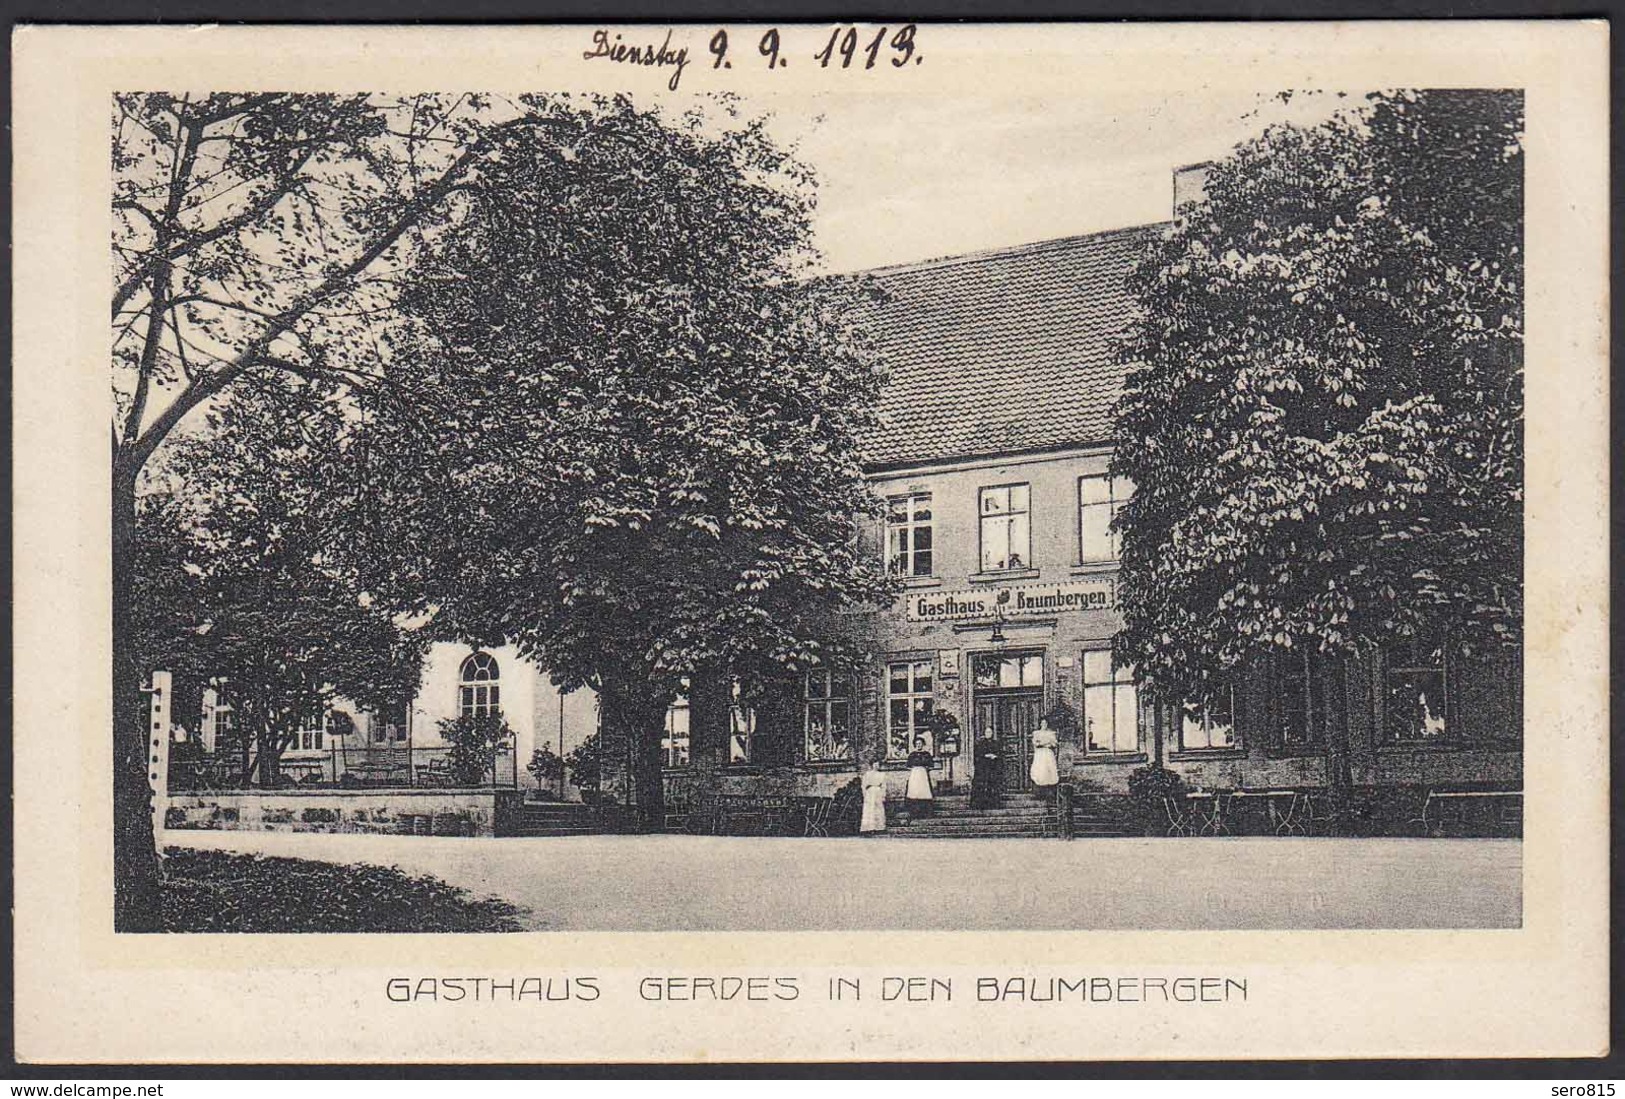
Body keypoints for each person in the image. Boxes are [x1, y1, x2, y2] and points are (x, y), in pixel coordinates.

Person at [1030, 718, 1060, 801]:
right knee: (1039, 770)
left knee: (1048, 770)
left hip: (1048, 753)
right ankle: (1039, 792)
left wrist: (1048, 744)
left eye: (1045, 723)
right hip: (1040, 754)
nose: (1044, 725)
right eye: (1042, 723)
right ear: (1040, 724)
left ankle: (1049, 793)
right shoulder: (1036, 733)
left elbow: (1054, 744)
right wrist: (1045, 743)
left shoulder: (1051, 733)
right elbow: (1036, 743)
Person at [904, 737, 936, 817]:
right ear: (915, 745)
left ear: (923, 744)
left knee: (924, 791)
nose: (918, 745)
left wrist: (925, 768)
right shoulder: (912, 755)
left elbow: (931, 765)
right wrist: (915, 768)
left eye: (920, 744)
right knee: (914, 791)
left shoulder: (926, 754)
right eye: (917, 744)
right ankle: (914, 812)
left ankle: (925, 812)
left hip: (923, 774)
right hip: (915, 774)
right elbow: (908, 766)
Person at [971, 731, 1002, 809]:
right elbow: (977, 755)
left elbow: (999, 754)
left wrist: (995, 756)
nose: (989, 734)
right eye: (987, 732)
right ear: (984, 733)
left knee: (992, 785)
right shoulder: (980, 743)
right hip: (983, 768)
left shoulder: (995, 743)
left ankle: (993, 804)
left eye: (990, 732)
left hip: (992, 768)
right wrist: (985, 756)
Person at [859, 762, 888, 835]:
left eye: (878, 765)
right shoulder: (867, 774)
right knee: (869, 809)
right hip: (870, 793)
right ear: (872, 765)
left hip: (878, 792)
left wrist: (883, 795)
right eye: (875, 764)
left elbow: (884, 786)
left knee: (878, 809)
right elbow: (863, 785)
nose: (876, 766)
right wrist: (865, 794)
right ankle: (868, 828)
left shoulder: (882, 775)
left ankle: (879, 827)